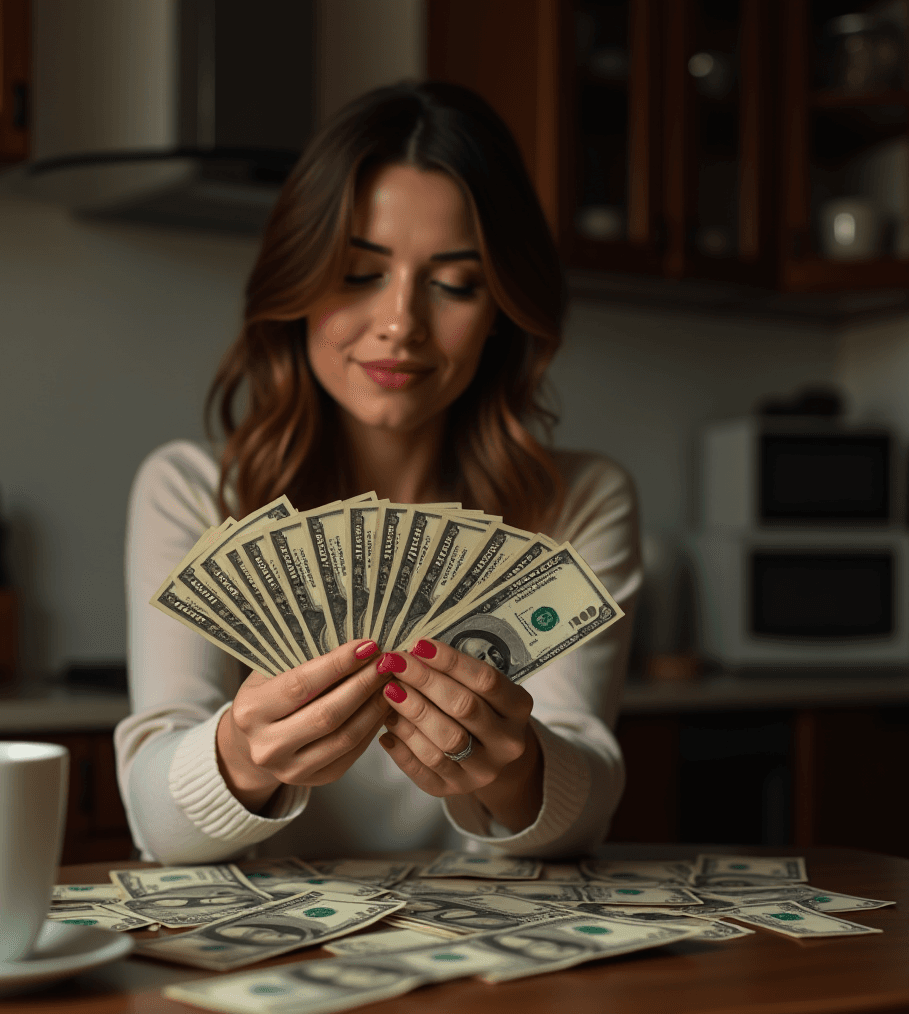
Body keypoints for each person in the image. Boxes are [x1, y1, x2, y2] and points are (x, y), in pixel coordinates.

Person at [115, 81, 642, 866]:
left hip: (487, 963)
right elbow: (158, 826)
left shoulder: (578, 501)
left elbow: (583, 808)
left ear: (500, 306)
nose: (400, 323)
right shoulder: (195, 491)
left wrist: (523, 770)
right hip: (273, 971)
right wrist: (240, 755)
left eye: (455, 283)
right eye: (360, 272)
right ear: (296, 284)